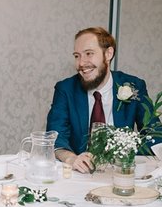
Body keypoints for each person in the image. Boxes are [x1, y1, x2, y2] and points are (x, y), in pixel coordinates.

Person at [47, 27, 158, 173]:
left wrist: (127, 156)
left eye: (89, 54)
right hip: (81, 173)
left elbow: (155, 133)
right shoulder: (65, 89)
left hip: (121, 172)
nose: (81, 63)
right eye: (77, 56)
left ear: (108, 54)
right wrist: (71, 158)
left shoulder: (134, 86)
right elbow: (55, 136)